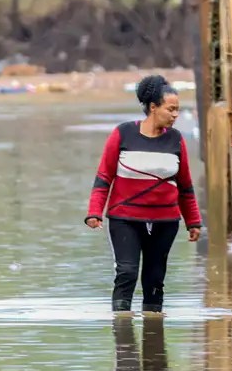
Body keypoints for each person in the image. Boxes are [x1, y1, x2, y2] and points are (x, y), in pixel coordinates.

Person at [85, 74, 203, 313]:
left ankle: (153, 338)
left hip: (165, 221)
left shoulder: (176, 140)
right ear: (153, 107)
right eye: (171, 109)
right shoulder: (123, 134)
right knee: (126, 272)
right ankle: (123, 336)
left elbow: (185, 186)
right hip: (125, 219)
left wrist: (193, 222)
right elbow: (104, 177)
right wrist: (94, 212)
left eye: (178, 110)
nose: (175, 115)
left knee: (155, 279)